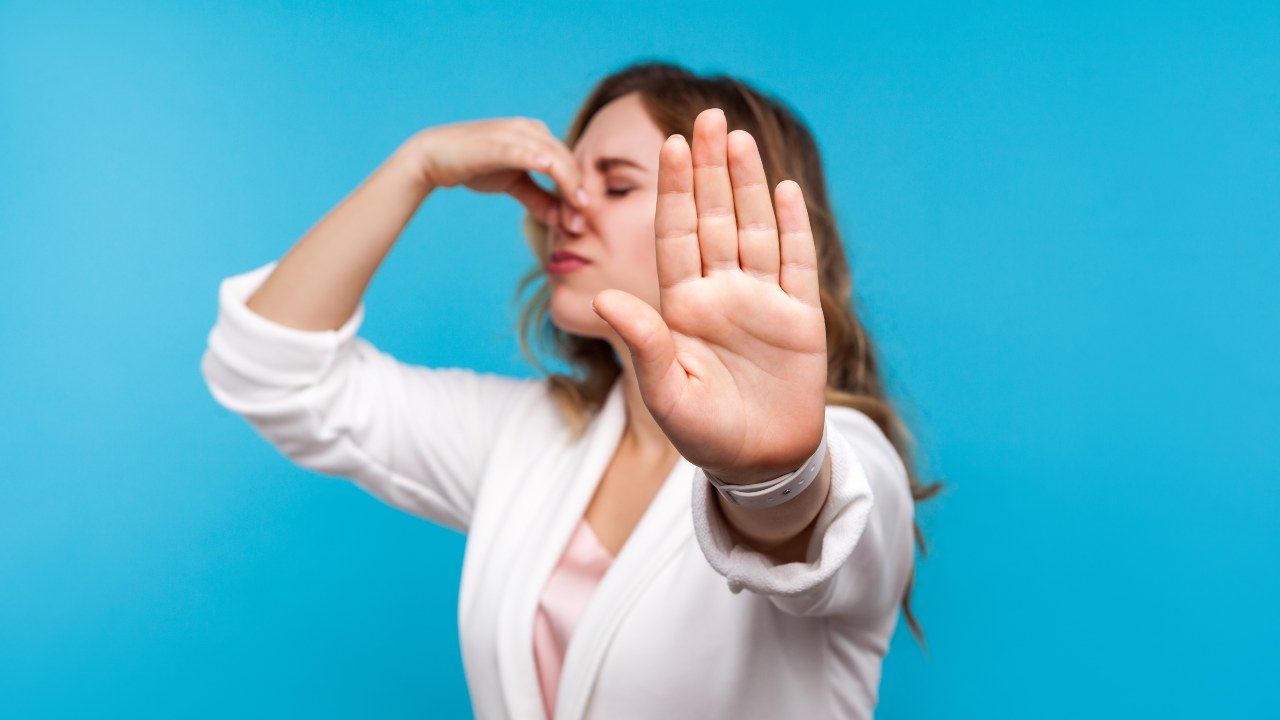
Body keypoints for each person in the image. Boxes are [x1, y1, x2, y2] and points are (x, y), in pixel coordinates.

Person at [201, 61, 941, 719]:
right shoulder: (531, 439)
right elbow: (271, 368)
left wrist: (766, 472)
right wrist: (417, 165)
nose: (564, 209)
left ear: (733, 216)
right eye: (564, 185)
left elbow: (813, 523)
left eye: (617, 184)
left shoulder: (846, 456)